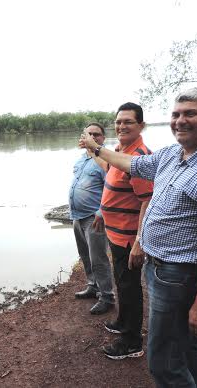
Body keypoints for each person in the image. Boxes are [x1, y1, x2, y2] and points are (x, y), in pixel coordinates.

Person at [82, 88, 197, 387]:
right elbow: (131, 164)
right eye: (176, 114)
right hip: (159, 268)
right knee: (184, 345)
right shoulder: (172, 154)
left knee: (162, 363)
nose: (180, 121)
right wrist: (96, 148)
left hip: (179, 275)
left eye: (190, 114)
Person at [83, 103, 153, 360]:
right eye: (119, 121)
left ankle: (132, 342)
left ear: (141, 126)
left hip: (128, 236)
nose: (121, 126)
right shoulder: (121, 151)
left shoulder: (140, 158)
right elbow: (108, 170)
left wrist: (139, 241)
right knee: (123, 283)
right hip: (115, 232)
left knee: (130, 287)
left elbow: (148, 200)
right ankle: (124, 321)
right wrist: (92, 149)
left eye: (128, 122)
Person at [70, 123, 115, 315]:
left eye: (96, 134)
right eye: (89, 134)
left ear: (103, 138)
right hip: (77, 216)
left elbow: (112, 188)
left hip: (94, 218)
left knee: (99, 258)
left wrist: (102, 212)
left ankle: (107, 296)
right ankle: (93, 285)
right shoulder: (81, 160)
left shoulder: (106, 160)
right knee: (85, 255)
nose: (93, 137)